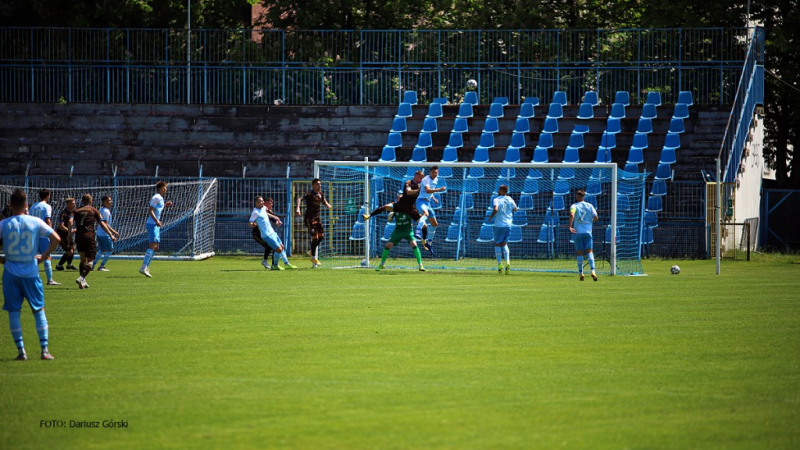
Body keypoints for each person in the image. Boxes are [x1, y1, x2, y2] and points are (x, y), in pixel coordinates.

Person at [1, 189, 60, 360]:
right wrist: (43, 256)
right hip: (31, 272)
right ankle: (44, 350)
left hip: (11, 273)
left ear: (11, 205)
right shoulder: (35, 222)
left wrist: (3, 259)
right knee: (38, 310)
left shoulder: (4, 224)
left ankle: (21, 351)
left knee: (13, 312)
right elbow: (56, 238)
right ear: (26, 205)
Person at [72, 194, 115, 289]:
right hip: (89, 236)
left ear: (82, 201)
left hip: (78, 236)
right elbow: (103, 224)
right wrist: (111, 234)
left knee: (83, 259)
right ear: (91, 201)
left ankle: (83, 282)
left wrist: (68, 234)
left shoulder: (76, 210)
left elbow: (70, 222)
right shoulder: (94, 210)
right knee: (91, 261)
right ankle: (81, 277)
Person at [250, 196, 297, 270]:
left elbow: (266, 214)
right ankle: (275, 265)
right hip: (266, 235)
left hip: (272, 232)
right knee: (278, 249)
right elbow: (250, 222)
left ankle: (286, 264)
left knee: (281, 246)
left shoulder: (263, 208)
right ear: (256, 203)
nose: (262, 202)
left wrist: (276, 218)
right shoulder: (255, 212)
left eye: (263, 201)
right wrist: (252, 224)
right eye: (261, 201)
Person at [295, 178, 332, 268]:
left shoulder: (320, 194)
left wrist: (327, 204)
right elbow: (299, 199)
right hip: (309, 218)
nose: (319, 185)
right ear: (313, 185)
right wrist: (298, 208)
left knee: (321, 236)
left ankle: (311, 251)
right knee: (315, 237)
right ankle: (313, 257)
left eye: (320, 184)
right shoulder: (310, 194)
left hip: (317, 218)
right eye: (317, 184)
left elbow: (323, 200)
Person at [140, 181, 173, 278]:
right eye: (165, 187)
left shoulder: (160, 199)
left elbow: (157, 209)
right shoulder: (156, 197)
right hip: (152, 224)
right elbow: (150, 210)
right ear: (162, 188)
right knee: (152, 245)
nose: (166, 189)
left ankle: (146, 267)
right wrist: (156, 221)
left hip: (155, 225)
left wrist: (166, 205)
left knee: (156, 247)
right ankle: (144, 267)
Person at [29, 189, 60, 285]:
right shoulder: (46, 206)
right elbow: (48, 220)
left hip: (33, 234)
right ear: (48, 196)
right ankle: (50, 279)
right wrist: (50, 234)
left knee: (32, 256)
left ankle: (28, 277)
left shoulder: (33, 206)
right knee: (47, 256)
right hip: (43, 234)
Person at [414, 166, 447, 253]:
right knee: (426, 213)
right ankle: (417, 230)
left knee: (434, 224)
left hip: (428, 203)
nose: (435, 174)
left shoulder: (435, 179)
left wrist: (433, 198)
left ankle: (429, 242)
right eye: (433, 172)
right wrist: (439, 189)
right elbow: (428, 190)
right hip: (420, 201)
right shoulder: (426, 179)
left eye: (436, 173)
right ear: (430, 172)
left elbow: (429, 192)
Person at [569, 189, 599, 281]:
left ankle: (581, 273)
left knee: (579, 252)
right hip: (588, 232)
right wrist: (590, 222)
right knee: (590, 252)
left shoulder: (574, 206)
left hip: (578, 232)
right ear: (583, 196)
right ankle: (593, 271)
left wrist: (570, 226)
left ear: (577, 196)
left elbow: (571, 215)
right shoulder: (590, 206)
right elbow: (596, 217)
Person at [488, 184, 518, 274]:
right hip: (508, 224)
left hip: (499, 225)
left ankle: (500, 264)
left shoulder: (496, 199)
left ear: (501, 191)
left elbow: (496, 209)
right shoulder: (510, 199)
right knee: (504, 244)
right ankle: (508, 262)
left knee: (497, 244)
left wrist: (491, 217)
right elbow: (515, 209)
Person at [92, 195, 120, 272]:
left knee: (102, 249)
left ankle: (93, 265)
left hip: (99, 233)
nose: (111, 202)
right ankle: (101, 266)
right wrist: (113, 233)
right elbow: (105, 224)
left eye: (111, 200)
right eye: (109, 201)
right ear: (104, 202)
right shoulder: (106, 211)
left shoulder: (101, 210)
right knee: (110, 249)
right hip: (104, 234)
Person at [251, 197, 280, 266]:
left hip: (268, 233)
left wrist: (275, 219)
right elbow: (251, 221)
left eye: (272, 203)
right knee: (270, 246)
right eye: (269, 203)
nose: (271, 205)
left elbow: (269, 215)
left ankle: (273, 264)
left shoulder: (264, 210)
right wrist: (252, 224)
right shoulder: (256, 212)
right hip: (257, 234)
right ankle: (269, 262)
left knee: (276, 246)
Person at [54, 198, 77, 271]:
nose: (74, 204)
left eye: (74, 203)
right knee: (69, 252)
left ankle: (69, 265)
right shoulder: (64, 213)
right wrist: (70, 231)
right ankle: (59, 265)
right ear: (68, 204)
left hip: (68, 234)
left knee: (73, 248)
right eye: (73, 203)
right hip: (62, 235)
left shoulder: (72, 212)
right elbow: (61, 226)